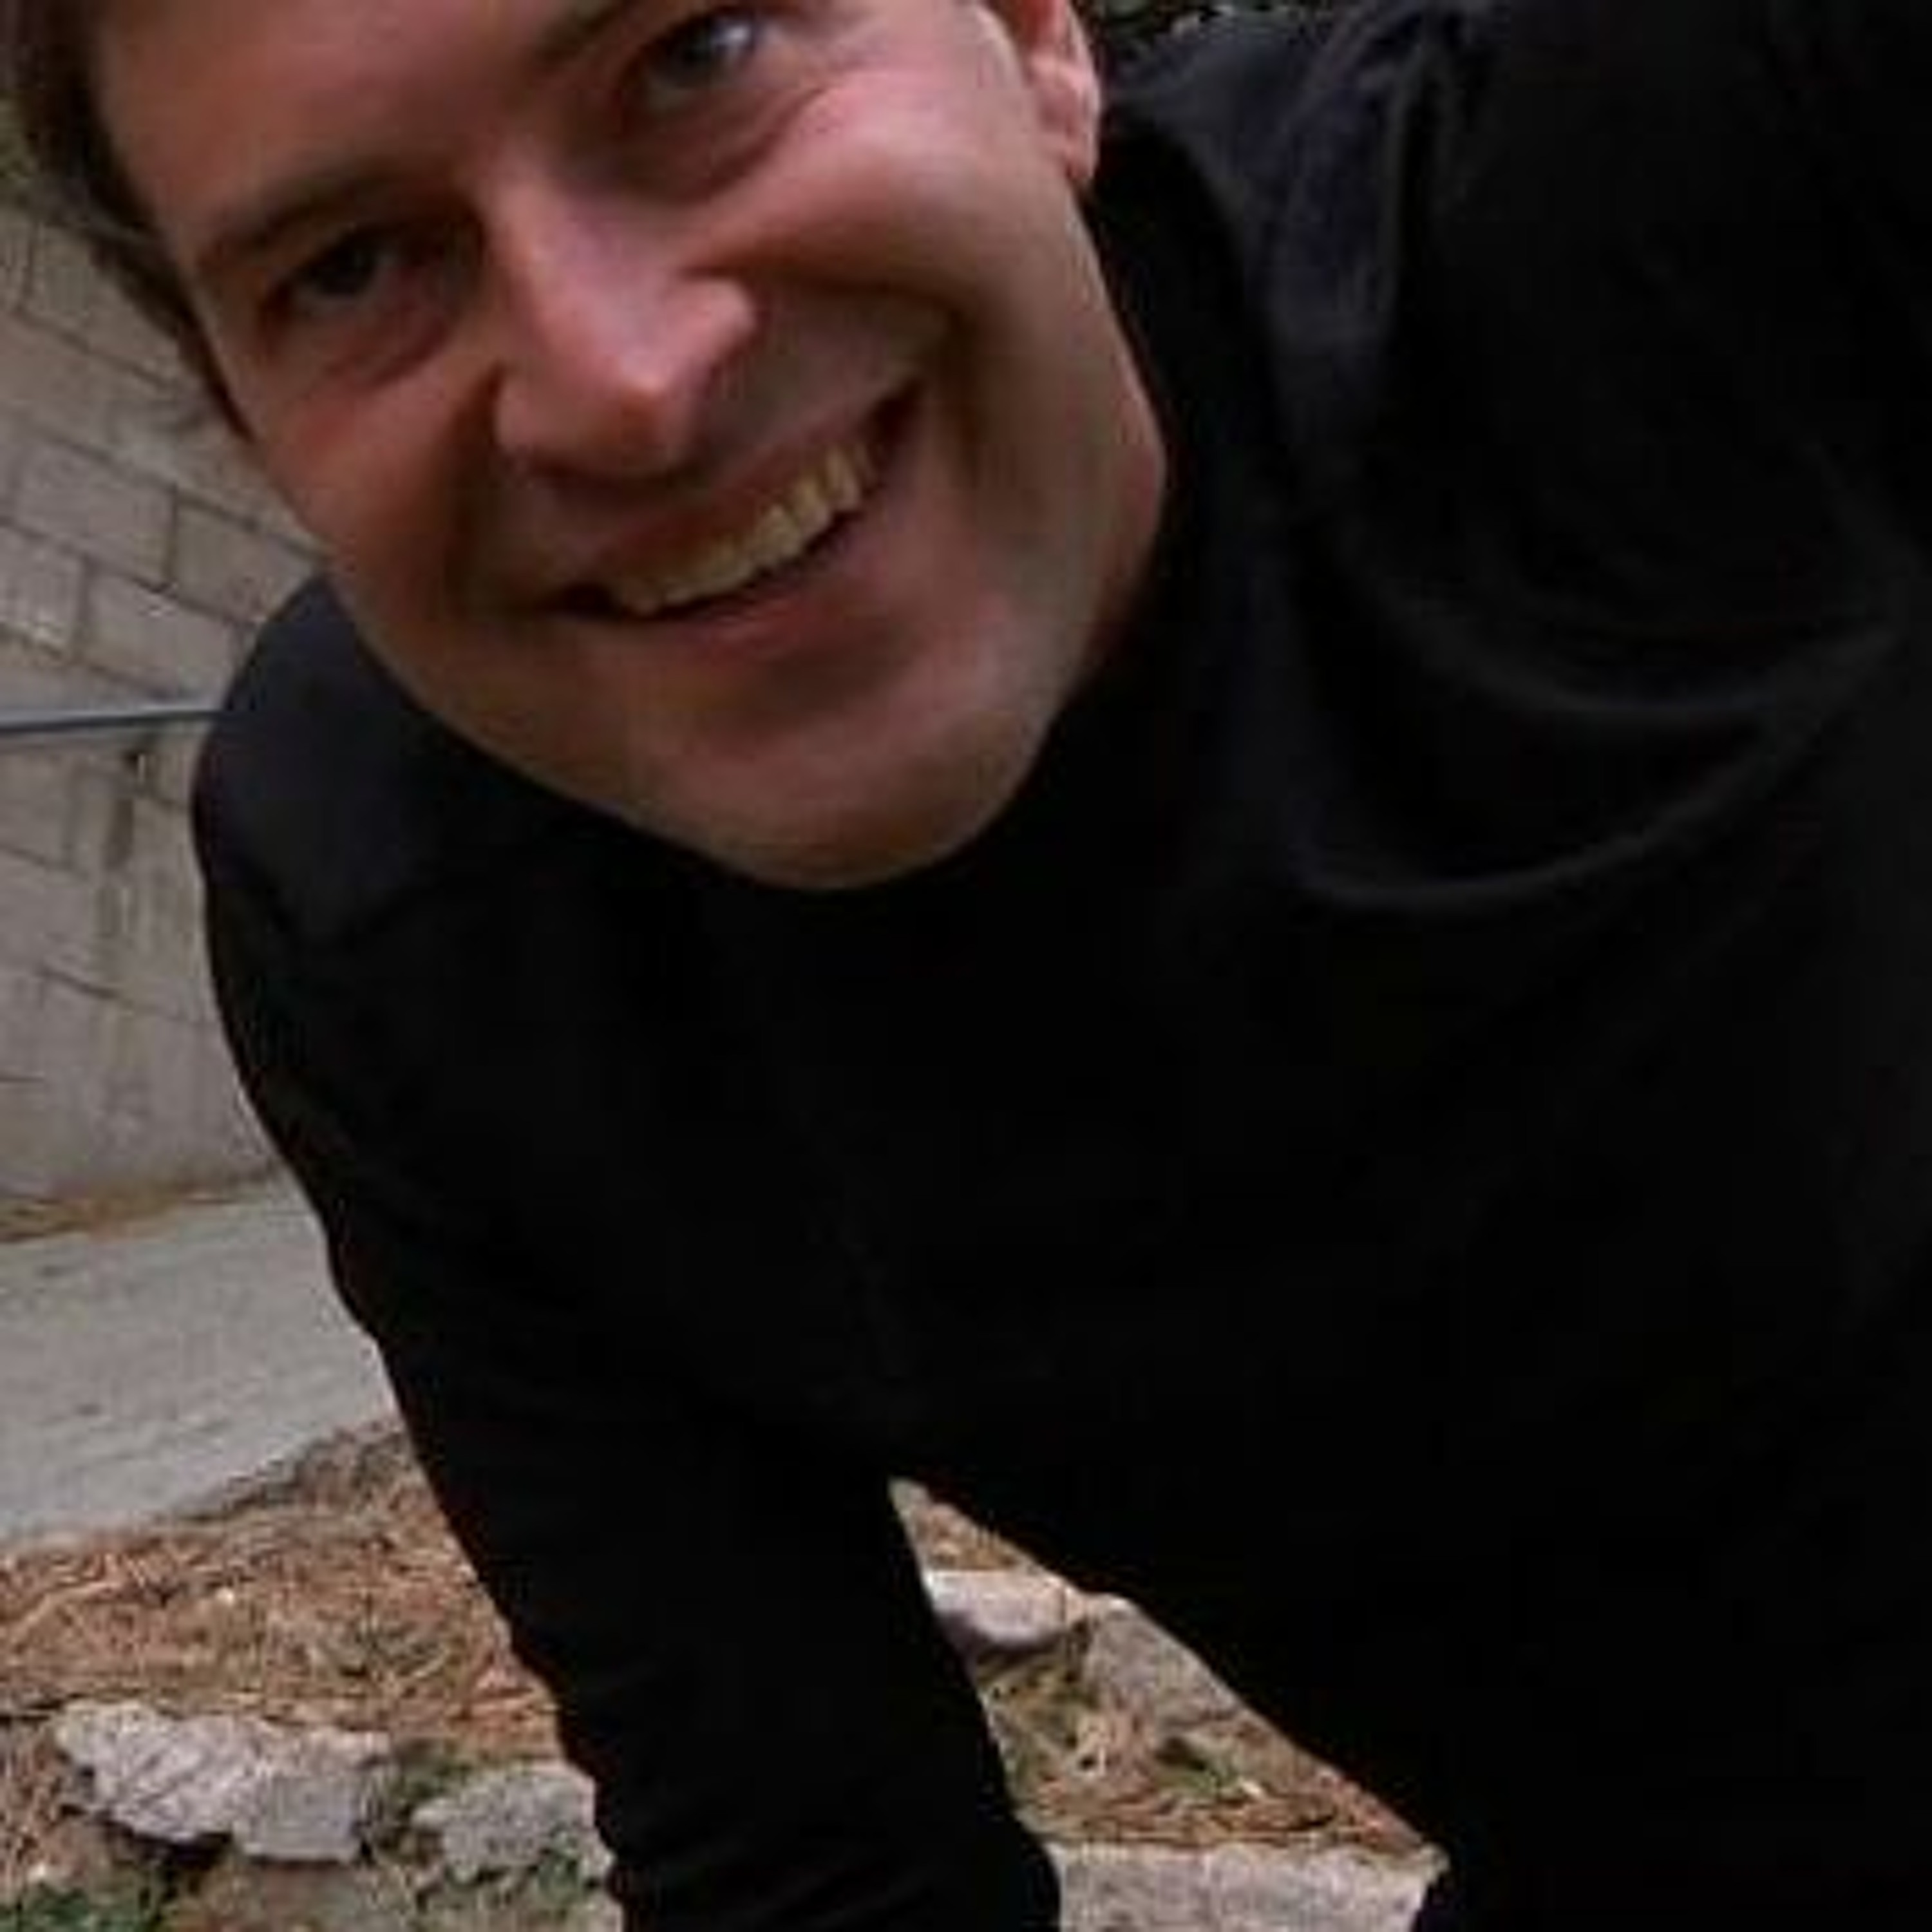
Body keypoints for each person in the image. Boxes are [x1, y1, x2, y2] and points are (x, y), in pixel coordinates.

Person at [8, 0, 1932, 1924]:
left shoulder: (1639, 175)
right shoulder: (401, 910)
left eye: (699, 56)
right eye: (350, 268)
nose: (625, 385)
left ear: (1035, 43)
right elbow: (817, 1871)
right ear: (256, 433)